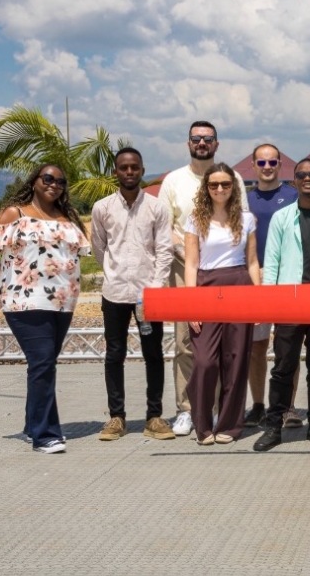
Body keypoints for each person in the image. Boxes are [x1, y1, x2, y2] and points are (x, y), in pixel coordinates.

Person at [0, 165, 90, 454]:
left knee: (44, 362)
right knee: (43, 362)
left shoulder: (66, 219)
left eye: (60, 181)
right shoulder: (16, 213)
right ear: (35, 181)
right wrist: (9, 280)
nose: (54, 184)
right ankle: (45, 435)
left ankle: (31, 425)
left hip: (63, 302)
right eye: (48, 179)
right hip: (25, 300)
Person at [158, 121, 245, 436]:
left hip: (226, 272)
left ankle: (223, 409)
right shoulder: (173, 181)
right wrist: (185, 249)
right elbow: (164, 226)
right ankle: (188, 409)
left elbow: (241, 221)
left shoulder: (232, 178)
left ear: (217, 144)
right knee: (186, 341)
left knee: (225, 345)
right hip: (186, 267)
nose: (202, 143)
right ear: (188, 143)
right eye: (196, 138)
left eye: (208, 138)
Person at [253, 158, 310, 451]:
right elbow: (273, 262)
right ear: (294, 181)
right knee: (282, 367)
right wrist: (269, 303)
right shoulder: (282, 217)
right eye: (302, 175)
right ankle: (273, 426)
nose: (307, 178)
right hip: (290, 301)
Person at [90, 148, 175, 442]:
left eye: (134, 168)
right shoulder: (102, 208)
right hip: (114, 293)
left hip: (148, 296)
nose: (129, 172)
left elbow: (164, 250)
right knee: (115, 355)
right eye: (124, 168)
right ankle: (117, 417)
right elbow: (100, 248)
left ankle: (154, 416)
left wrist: (155, 286)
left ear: (142, 170)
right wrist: (115, 273)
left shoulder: (157, 208)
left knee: (153, 354)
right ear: (116, 171)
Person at [184, 163, 260, 446]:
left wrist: (258, 301)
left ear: (233, 187)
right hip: (205, 287)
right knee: (204, 361)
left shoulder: (247, 218)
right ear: (206, 188)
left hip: (240, 285)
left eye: (225, 184)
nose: (219, 189)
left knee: (236, 359)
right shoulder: (195, 220)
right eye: (214, 185)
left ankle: (230, 424)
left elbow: (252, 262)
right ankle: (202, 425)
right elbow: (191, 264)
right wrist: (191, 304)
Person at [244, 144, 300, 428]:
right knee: (257, 347)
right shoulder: (243, 200)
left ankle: (289, 407)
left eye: (272, 162)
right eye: (262, 162)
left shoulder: (294, 196)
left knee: (288, 348)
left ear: (280, 165)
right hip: (256, 282)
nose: (267, 167)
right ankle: (258, 405)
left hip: (288, 280)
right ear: (253, 165)